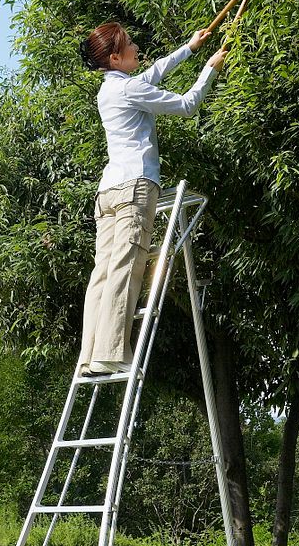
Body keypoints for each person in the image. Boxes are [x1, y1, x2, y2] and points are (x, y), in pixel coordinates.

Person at [78, 22, 227, 375]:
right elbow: (187, 105)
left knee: (102, 273)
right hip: (135, 188)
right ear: (115, 58)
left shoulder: (110, 89)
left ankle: (89, 354)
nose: (136, 48)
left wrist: (189, 48)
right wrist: (209, 69)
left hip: (109, 192)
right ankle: (111, 352)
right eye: (129, 45)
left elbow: (153, 72)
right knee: (125, 269)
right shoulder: (128, 90)